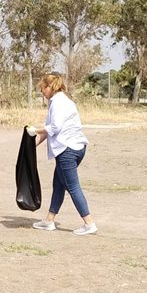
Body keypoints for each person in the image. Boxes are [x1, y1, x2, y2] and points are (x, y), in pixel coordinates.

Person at [28, 72, 97, 236]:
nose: (42, 93)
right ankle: (49, 221)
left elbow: (54, 128)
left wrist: (34, 130)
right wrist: (31, 145)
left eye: (42, 89)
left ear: (49, 87)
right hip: (75, 147)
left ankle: (89, 223)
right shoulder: (62, 101)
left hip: (67, 150)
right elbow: (49, 129)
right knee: (58, 184)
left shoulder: (58, 102)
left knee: (72, 186)